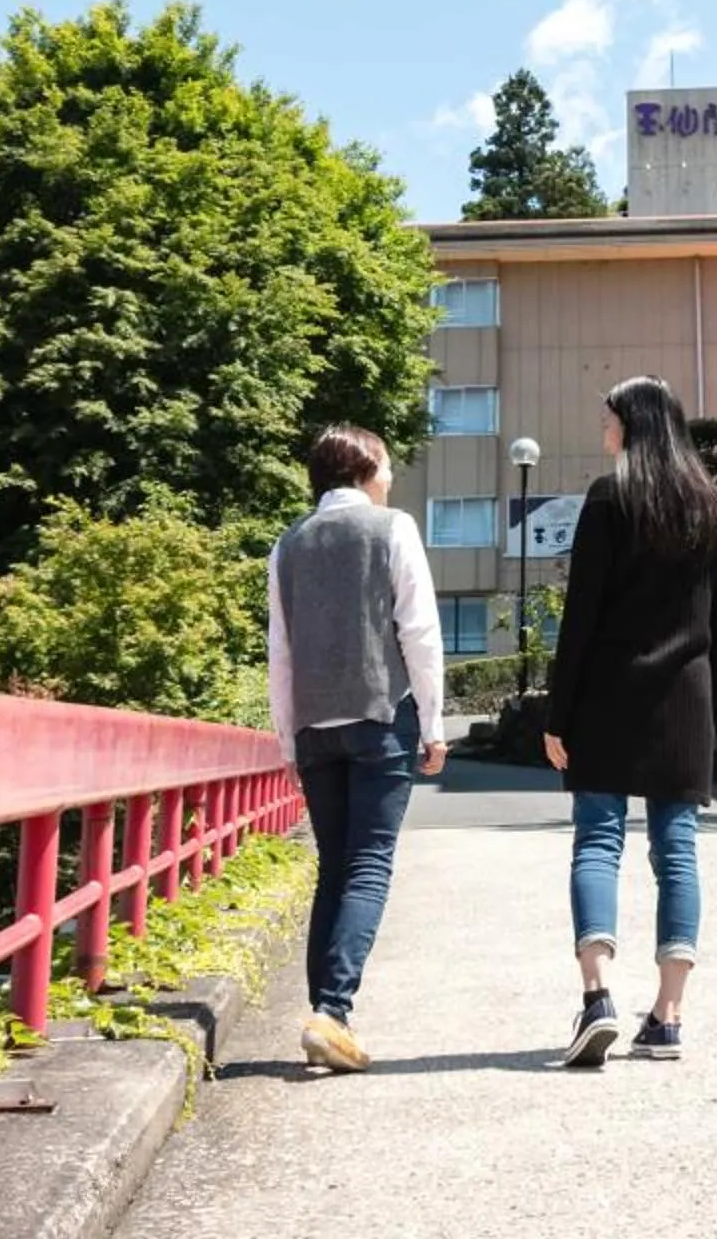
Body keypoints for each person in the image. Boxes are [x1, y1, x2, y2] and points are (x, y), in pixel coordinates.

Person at [542, 375, 717, 1068]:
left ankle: (597, 998)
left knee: (597, 841)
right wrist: (711, 723)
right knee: (676, 851)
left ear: (634, 425)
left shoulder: (608, 497)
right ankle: (667, 1017)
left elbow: (582, 617)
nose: (604, 432)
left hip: (606, 696)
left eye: (610, 421)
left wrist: (556, 712)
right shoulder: (712, 509)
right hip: (685, 702)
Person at [267, 423, 447, 1073]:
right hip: (380, 717)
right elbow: (419, 632)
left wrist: (288, 739)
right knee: (369, 864)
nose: (391, 478)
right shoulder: (392, 527)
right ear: (366, 467)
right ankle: (333, 1013)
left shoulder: (288, 545)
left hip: (315, 728)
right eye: (388, 467)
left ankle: (326, 1015)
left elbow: (280, 655)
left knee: (333, 867)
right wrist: (432, 723)